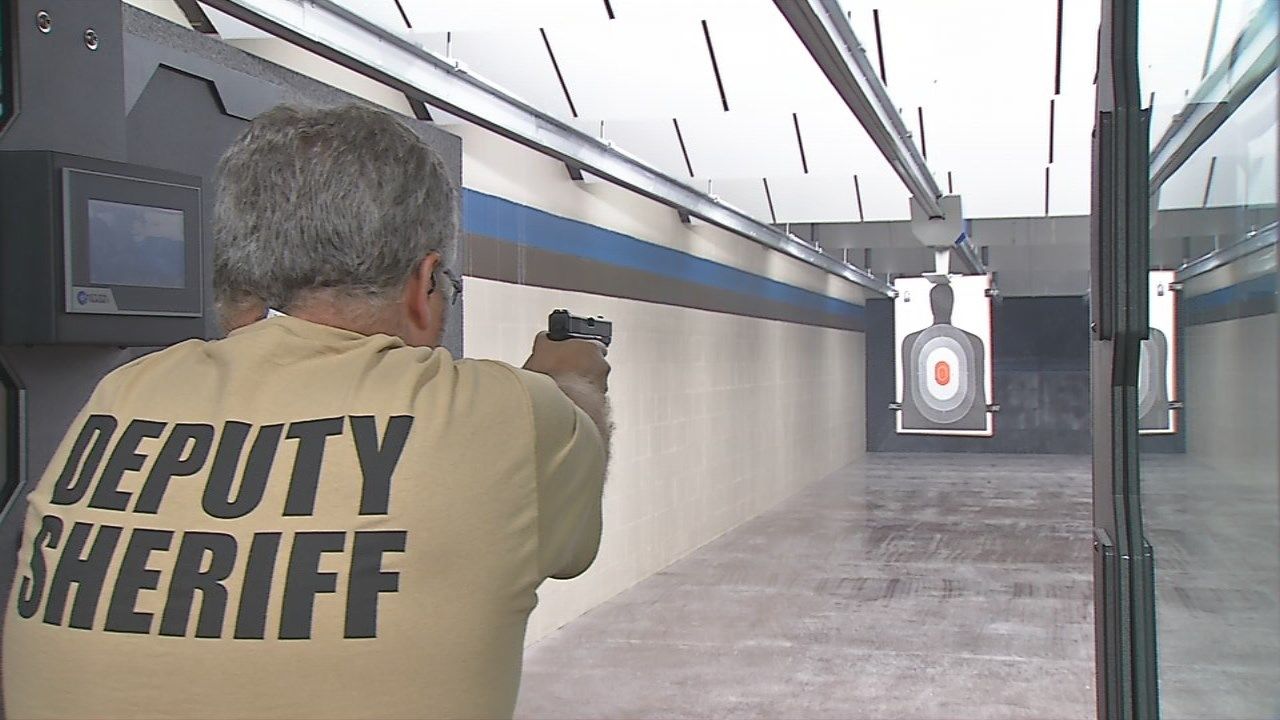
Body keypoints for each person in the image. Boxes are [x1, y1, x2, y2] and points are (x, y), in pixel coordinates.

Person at [3, 104, 611, 720]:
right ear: (424, 287)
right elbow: (572, 500)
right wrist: (579, 374)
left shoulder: (123, 394)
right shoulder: (508, 413)